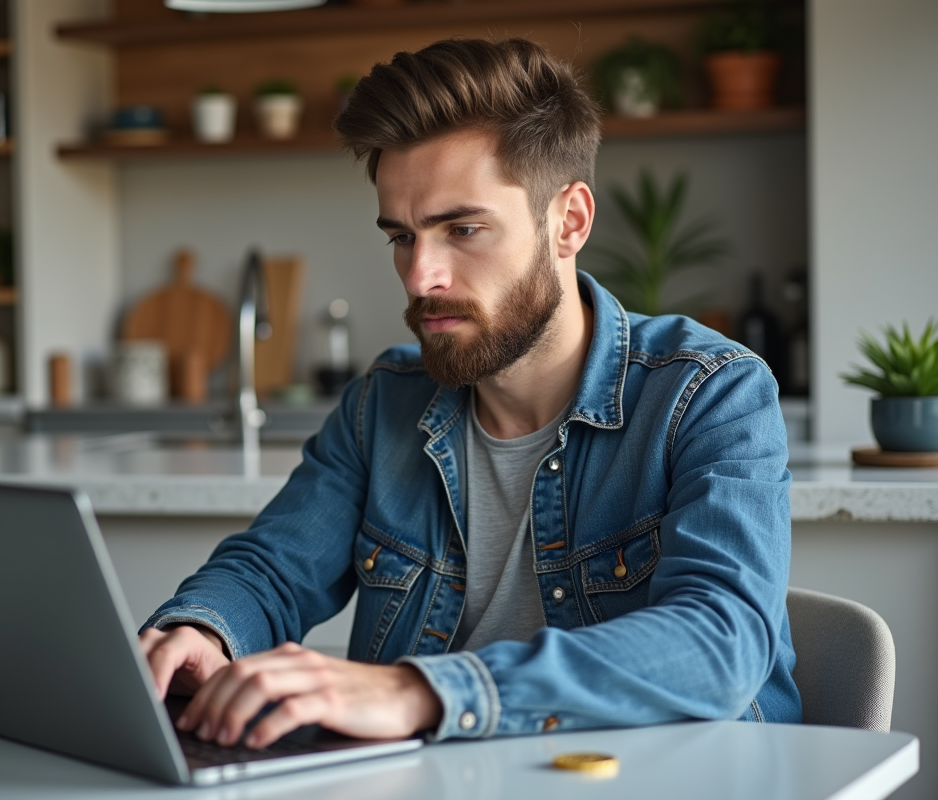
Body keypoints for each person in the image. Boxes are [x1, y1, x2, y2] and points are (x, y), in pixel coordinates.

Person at [138, 37, 801, 749]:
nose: (421, 276)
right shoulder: (383, 404)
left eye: (463, 229)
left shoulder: (709, 393)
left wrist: (423, 691)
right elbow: (272, 569)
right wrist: (203, 626)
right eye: (401, 236)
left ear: (569, 222)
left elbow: (719, 643)